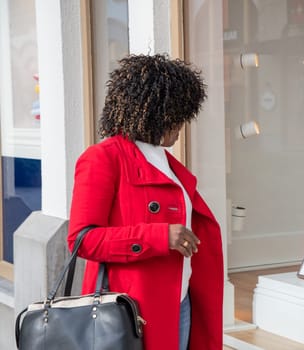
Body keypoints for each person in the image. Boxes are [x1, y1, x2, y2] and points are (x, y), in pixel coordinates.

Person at [68, 54, 224, 350]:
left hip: (181, 300)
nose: (181, 125)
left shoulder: (167, 163)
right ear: (154, 112)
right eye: (176, 115)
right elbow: (82, 239)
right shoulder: (104, 158)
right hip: (131, 309)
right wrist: (159, 236)